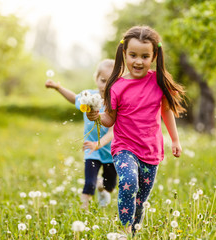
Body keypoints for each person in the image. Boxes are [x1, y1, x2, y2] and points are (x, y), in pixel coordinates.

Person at [86, 26, 185, 238]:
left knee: (141, 200)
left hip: (151, 151)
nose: (138, 61)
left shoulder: (158, 82)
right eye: (133, 55)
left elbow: (166, 111)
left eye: (145, 56)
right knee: (129, 182)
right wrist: (97, 116)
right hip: (124, 148)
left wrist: (175, 140)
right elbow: (110, 119)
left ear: (154, 56)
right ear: (124, 54)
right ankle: (125, 229)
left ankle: (135, 229)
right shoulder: (117, 86)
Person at [45, 59, 117, 209]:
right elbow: (73, 98)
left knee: (110, 185)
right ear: (96, 79)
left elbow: (113, 132)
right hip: (91, 150)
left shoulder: (115, 103)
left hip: (110, 151)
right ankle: (84, 209)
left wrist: (99, 144)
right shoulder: (88, 97)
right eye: (103, 80)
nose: (106, 85)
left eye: (111, 81)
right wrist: (58, 87)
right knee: (89, 182)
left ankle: (102, 187)